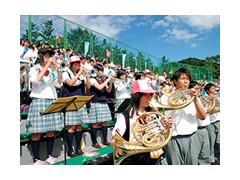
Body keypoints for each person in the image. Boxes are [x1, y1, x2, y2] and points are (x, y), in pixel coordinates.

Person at [111, 80, 173, 165]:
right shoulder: (124, 117)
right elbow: (114, 141)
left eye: (150, 94)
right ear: (137, 96)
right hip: (133, 160)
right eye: (145, 94)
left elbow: (160, 136)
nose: (149, 97)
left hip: (153, 158)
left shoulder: (154, 114)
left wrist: (165, 127)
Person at [26, 47, 63, 165]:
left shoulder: (52, 70)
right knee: (36, 132)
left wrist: (57, 70)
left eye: (50, 55)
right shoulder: (34, 68)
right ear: (40, 56)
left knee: (50, 131)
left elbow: (59, 84)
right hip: (39, 100)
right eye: (46, 55)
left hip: (51, 99)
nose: (49, 57)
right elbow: (35, 81)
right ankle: (37, 159)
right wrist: (46, 66)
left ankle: (50, 156)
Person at [161, 68, 206, 165]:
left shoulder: (193, 97)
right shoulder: (165, 97)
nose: (186, 81)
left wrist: (195, 100)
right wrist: (165, 121)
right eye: (182, 78)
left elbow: (202, 116)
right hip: (172, 139)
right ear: (174, 81)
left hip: (192, 137)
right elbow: (160, 117)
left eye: (188, 79)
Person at [62, 55, 91, 157]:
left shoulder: (81, 74)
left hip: (80, 100)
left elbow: (88, 87)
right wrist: (79, 73)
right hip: (70, 101)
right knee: (71, 127)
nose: (78, 65)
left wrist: (86, 75)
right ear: (71, 64)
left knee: (79, 126)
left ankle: (78, 148)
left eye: (79, 63)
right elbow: (70, 83)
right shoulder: (66, 73)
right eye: (76, 64)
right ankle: (70, 150)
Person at [89, 64, 114, 148]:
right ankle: (94, 142)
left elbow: (108, 90)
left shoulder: (103, 80)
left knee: (104, 122)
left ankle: (105, 140)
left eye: (103, 70)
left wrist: (110, 83)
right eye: (101, 71)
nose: (102, 72)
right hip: (96, 102)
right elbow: (99, 87)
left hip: (104, 102)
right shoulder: (92, 79)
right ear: (96, 71)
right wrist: (107, 80)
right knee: (95, 123)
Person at [190, 81, 211, 165]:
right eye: (196, 89)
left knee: (205, 155)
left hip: (205, 128)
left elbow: (207, 112)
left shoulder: (200, 99)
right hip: (196, 130)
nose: (198, 91)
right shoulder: (189, 100)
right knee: (195, 157)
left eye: (199, 89)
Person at [204, 83, 220, 165]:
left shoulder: (218, 97)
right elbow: (207, 111)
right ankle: (212, 159)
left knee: (219, 141)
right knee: (211, 141)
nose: (214, 90)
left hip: (219, 120)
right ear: (207, 91)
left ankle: (219, 157)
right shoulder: (205, 99)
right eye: (212, 88)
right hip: (210, 122)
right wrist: (211, 101)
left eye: (214, 88)